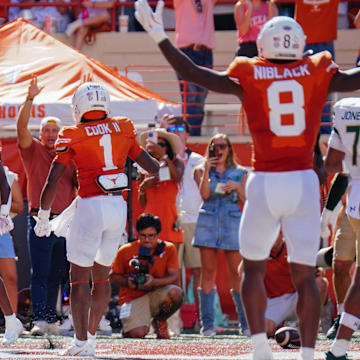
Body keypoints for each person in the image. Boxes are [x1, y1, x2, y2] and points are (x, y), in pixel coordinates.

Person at [133, 4, 360, 359]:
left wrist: (159, 34)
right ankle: (309, 354)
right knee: (305, 275)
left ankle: (258, 348)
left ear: (264, 45)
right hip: (302, 181)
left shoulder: (250, 71)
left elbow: (190, 71)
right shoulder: (317, 68)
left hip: (266, 179)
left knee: (250, 268)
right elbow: (355, 77)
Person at [35, 81, 159, 356]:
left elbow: (53, 178)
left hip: (90, 206)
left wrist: (43, 217)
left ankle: (80, 345)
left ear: (79, 106)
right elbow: (153, 166)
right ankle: (89, 339)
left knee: (79, 278)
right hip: (117, 208)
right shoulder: (124, 127)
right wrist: (139, 177)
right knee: (101, 277)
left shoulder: (72, 133)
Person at [16, 74, 77, 337]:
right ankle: (41, 318)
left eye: (55, 130)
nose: (51, 134)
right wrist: (30, 98)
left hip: (65, 221)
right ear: (41, 135)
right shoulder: (34, 151)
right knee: (40, 272)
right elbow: (21, 129)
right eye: (47, 131)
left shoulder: (69, 155)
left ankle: (51, 318)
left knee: (58, 274)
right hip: (39, 218)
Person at [193, 133, 248, 337]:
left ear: (229, 148)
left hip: (232, 221)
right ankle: (207, 325)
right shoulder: (201, 170)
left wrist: (238, 187)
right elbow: (205, 194)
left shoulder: (240, 172)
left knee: (237, 272)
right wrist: (207, 168)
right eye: (215, 146)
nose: (220, 150)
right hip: (208, 220)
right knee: (207, 272)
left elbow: (246, 200)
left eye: (223, 146)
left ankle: (245, 324)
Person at [323, 97, 360, 360]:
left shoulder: (346, 109)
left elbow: (332, 163)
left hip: (357, 200)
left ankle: (340, 344)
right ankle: (339, 345)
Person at [159, 114, 203, 332]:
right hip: (171, 219)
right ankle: (171, 322)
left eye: (180, 127)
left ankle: (202, 321)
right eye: (172, 127)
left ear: (187, 132)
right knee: (172, 274)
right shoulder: (161, 158)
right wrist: (162, 133)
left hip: (194, 219)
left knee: (199, 273)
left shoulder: (199, 159)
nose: (176, 130)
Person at [110, 213, 183, 339]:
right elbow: (113, 276)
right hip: (133, 298)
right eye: (143, 236)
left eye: (151, 236)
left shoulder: (168, 248)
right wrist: (128, 282)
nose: (147, 239)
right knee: (137, 334)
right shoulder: (125, 250)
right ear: (137, 234)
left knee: (176, 292)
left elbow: (174, 276)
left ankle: (160, 321)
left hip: (156, 295)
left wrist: (154, 282)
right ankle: (129, 326)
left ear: (158, 234)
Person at [265, 232, 329, 338]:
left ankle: (312, 323)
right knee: (265, 331)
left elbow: (319, 273)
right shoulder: (257, 251)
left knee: (319, 283)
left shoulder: (294, 248)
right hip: (274, 301)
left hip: (297, 297)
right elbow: (242, 275)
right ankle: (281, 330)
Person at [294, 0, 340, 135]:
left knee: (326, 85)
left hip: (321, 40)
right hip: (305, 41)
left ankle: (324, 127)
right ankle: (306, 126)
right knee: (304, 86)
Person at [173, 0, 216, 136]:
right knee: (191, 98)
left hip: (205, 51)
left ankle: (193, 136)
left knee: (200, 99)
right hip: (187, 51)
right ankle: (191, 138)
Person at [138, 127, 184, 249]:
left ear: (167, 147)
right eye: (154, 144)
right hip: (149, 219)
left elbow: (177, 178)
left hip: (169, 218)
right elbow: (143, 203)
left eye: (161, 144)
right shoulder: (144, 167)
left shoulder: (176, 162)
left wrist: (164, 156)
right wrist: (142, 188)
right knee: (148, 262)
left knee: (171, 262)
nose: (157, 147)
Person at [0, 160, 24, 346]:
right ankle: (10, 320)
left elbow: (4, 186)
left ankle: (10, 318)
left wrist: (2, 211)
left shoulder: (6, 174)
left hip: (1, 225)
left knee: (9, 276)